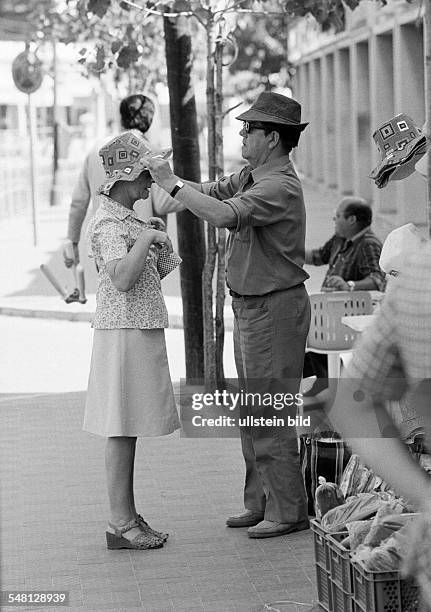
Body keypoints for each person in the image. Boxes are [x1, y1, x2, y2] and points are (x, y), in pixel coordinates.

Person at [146, 91, 311, 539]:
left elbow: (221, 215)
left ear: (272, 138)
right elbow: (208, 194)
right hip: (253, 306)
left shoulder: (278, 185)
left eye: (249, 129)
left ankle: (288, 510)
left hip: (274, 308)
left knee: (268, 411)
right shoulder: (253, 175)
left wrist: (171, 184)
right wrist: (168, 180)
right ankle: (261, 503)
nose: (242, 133)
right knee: (253, 411)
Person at [327, 112, 431, 606]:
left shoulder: (417, 272)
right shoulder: (409, 264)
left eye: (407, 174)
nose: (398, 190)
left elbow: (353, 405)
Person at [83, 130, 181, 550]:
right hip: (122, 333)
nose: (149, 184)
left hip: (135, 330)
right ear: (124, 177)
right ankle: (121, 522)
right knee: (121, 429)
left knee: (129, 428)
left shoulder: (127, 219)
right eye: (144, 175)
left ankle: (127, 515)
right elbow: (122, 279)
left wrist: (150, 236)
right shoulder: (107, 222)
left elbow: (152, 276)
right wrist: (146, 238)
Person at [64, 93, 184, 267]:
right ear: (150, 120)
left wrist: (72, 241)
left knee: (108, 289)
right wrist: (197, 194)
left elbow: (78, 201)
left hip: (106, 244)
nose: (149, 182)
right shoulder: (151, 153)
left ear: (121, 118)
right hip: (142, 250)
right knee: (139, 290)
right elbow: (163, 203)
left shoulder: (98, 149)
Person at [303, 197, 386, 393]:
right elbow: (318, 256)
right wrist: (286, 250)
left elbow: (378, 280)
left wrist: (349, 285)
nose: (334, 219)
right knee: (302, 333)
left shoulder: (368, 244)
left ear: (352, 220)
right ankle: (330, 381)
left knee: (310, 333)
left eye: (338, 216)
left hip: (344, 318)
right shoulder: (340, 239)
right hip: (325, 314)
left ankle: (333, 383)